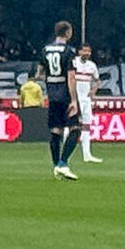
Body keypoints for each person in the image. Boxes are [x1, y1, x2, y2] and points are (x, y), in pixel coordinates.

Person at [39, 20, 80, 180]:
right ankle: (63, 163)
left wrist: (50, 82)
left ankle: (56, 166)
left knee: (56, 130)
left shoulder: (46, 50)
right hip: (64, 93)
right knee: (75, 128)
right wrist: (74, 100)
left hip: (52, 93)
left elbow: (40, 72)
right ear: (68, 33)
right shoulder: (69, 51)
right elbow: (71, 77)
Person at [73, 45, 105, 164]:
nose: (86, 53)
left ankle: (87, 154)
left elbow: (97, 80)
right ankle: (64, 154)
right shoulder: (74, 63)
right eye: (84, 50)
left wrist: (93, 91)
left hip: (86, 99)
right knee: (70, 125)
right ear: (79, 51)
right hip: (74, 98)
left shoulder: (92, 66)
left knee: (86, 125)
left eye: (88, 51)